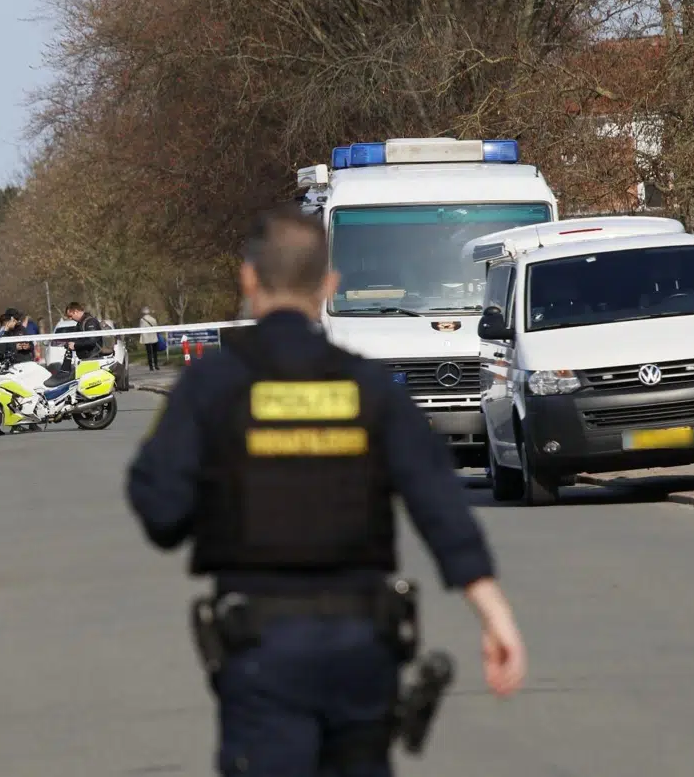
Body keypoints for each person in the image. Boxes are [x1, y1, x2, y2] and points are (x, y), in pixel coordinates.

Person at [125, 206, 525, 777]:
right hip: (362, 649)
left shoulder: (210, 387)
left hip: (261, 650)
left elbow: (160, 511)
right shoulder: (368, 387)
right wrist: (495, 617)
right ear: (329, 286)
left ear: (248, 278)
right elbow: (439, 504)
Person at [139, 306, 161, 371]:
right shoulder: (153, 319)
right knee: (155, 352)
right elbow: (156, 327)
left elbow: (141, 329)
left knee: (149, 353)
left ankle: (151, 367)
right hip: (153, 336)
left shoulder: (142, 320)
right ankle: (156, 365)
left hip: (146, 338)